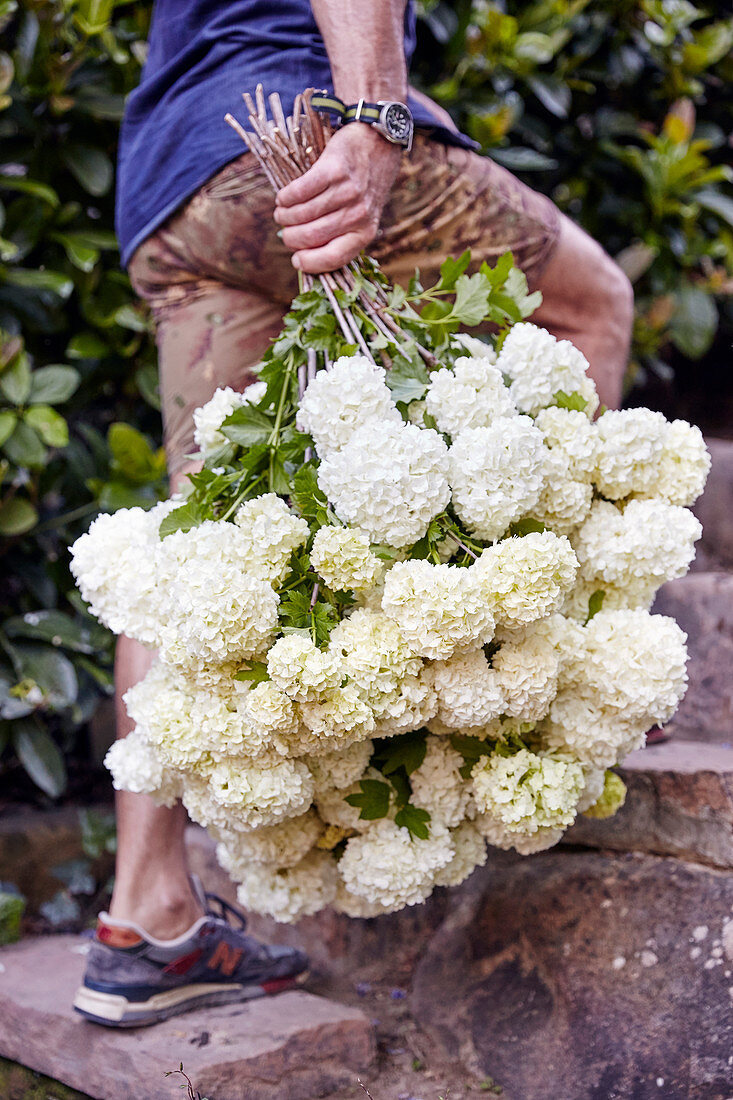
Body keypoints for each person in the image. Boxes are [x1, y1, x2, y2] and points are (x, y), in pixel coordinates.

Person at [73, 0, 635, 1028]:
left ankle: (144, 919)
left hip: (176, 186)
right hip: (290, 131)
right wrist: (376, 122)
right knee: (588, 302)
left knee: (200, 540)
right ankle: (552, 684)